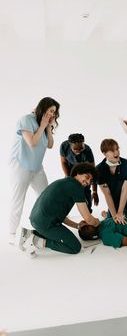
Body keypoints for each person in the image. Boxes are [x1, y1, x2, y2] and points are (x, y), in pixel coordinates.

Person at [8, 97, 60, 245]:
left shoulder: (45, 124)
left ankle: (46, 227)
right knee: (18, 200)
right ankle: (12, 234)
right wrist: (43, 126)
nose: (52, 115)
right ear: (43, 108)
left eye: (54, 112)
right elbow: (32, 142)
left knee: (46, 197)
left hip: (37, 168)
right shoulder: (26, 119)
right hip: (21, 166)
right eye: (51, 111)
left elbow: (50, 145)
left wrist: (48, 127)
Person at [21, 163, 100, 257]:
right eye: (86, 177)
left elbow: (61, 216)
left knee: (64, 237)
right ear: (78, 173)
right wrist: (98, 223)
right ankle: (36, 242)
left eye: (90, 181)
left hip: (36, 220)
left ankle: (29, 233)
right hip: (45, 223)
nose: (87, 182)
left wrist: (77, 226)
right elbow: (89, 219)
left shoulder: (65, 182)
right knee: (75, 247)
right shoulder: (76, 187)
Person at [96, 139, 127, 225]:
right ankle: (106, 214)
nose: (116, 152)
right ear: (104, 153)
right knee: (113, 220)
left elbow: (124, 190)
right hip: (115, 196)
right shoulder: (99, 170)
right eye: (112, 150)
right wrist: (115, 215)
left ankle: (108, 213)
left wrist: (120, 212)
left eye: (117, 149)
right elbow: (107, 194)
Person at [60, 133, 99, 212]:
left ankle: (88, 212)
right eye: (75, 150)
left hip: (84, 171)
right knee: (67, 193)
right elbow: (64, 162)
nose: (78, 151)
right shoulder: (64, 146)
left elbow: (93, 172)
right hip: (71, 170)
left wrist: (95, 191)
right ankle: (62, 212)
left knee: (85, 191)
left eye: (81, 149)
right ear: (70, 145)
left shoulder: (87, 152)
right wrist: (69, 178)